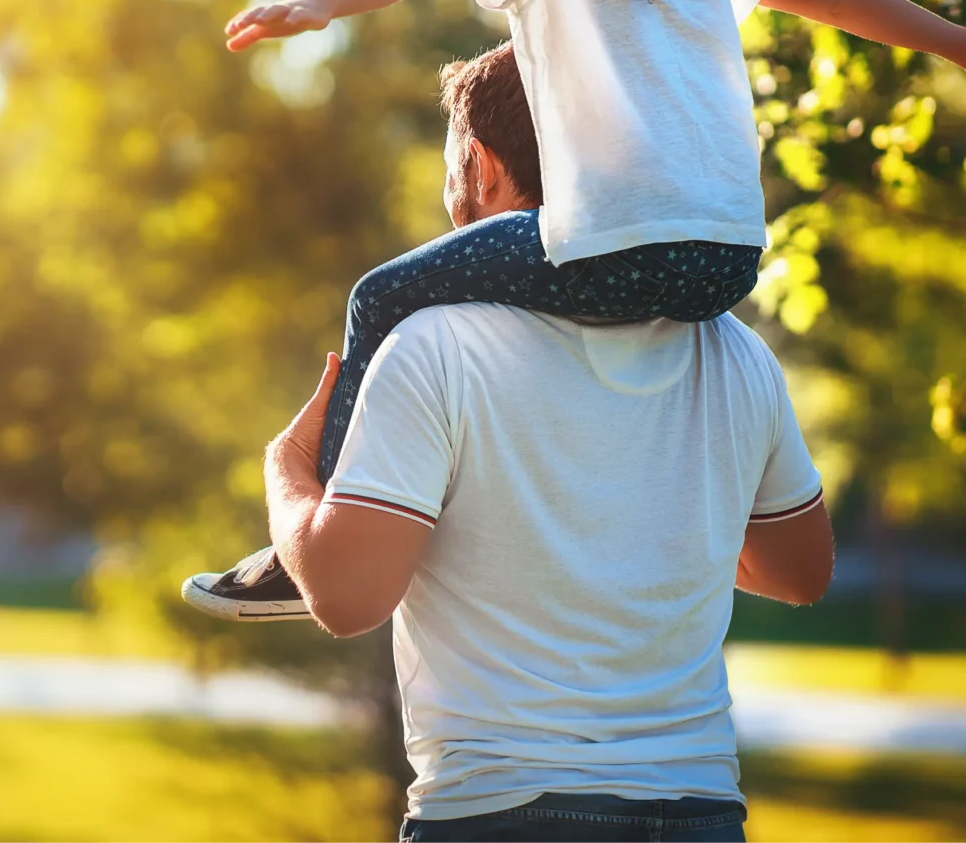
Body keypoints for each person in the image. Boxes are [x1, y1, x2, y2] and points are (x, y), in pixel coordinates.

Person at [183, 0, 966, 620]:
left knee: (379, 297)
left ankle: (320, 531)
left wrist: (316, 4)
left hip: (610, 250)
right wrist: (965, 45)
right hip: (726, 263)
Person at [265, 42, 834, 841]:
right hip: (700, 812)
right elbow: (799, 573)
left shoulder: (434, 345)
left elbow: (346, 596)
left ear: (481, 163)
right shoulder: (736, 351)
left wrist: (288, 477)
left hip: (506, 811)